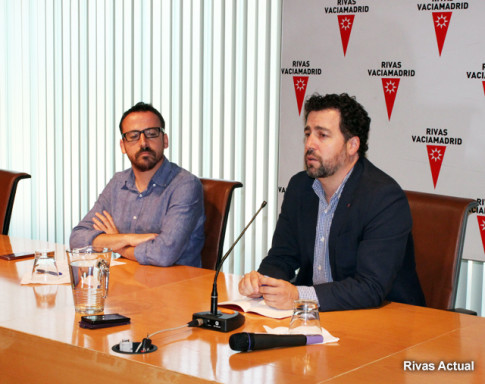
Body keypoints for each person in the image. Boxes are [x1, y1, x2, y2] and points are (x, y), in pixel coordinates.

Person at [239, 93, 425, 311]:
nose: (310, 144)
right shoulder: (300, 187)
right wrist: (263, 282)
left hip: (385, 318)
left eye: (322, 136)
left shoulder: (383, 198)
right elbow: (282, 257)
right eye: (308, 134)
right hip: (317, 317)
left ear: (352, 145)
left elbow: (370, 287)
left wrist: (298, 295)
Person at [70, 102, 205, 267]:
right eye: (133, 136)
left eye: (151, 133)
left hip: (175, 285)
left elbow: (163, 254)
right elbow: (77, 240)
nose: (143, 143)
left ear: (165, 140)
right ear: (123, 146)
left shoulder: (185, 185)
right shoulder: (118, 183)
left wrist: (118, 247)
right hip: (128, 280)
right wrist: (126, 238)